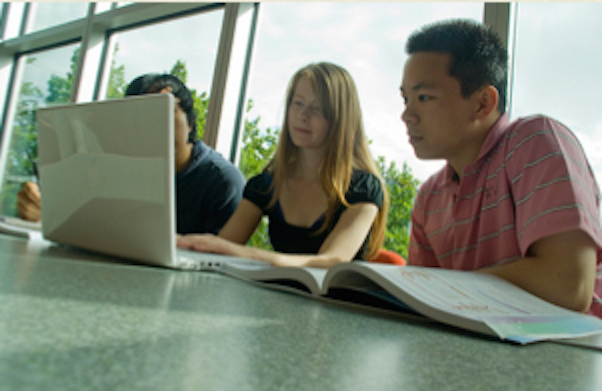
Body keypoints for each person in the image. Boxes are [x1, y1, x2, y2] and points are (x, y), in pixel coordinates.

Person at [400, 19, 602, 315]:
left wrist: (445, 289)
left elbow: (569, 286)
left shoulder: (537, 142)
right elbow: (422, 302)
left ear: (483, 103)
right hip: (481, 341)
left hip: (577, 339)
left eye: (424, 97)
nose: (406, 115)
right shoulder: (429, 197)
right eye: (405, 99)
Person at [178, 62, 389, 268]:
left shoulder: (363, 188)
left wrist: (252, 255)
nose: (303, 116)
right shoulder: (267, 184)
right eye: (298, 103)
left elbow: (331, 261)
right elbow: (219, 249)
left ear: (340, 119)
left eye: (317, 108)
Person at [16, 74, 245, 235]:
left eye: (168, 111)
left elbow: (218, 264)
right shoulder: (118, 168)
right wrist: (47, 217)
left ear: (191, 122)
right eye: (143, 115)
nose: (157, 124)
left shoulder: (222, 181)